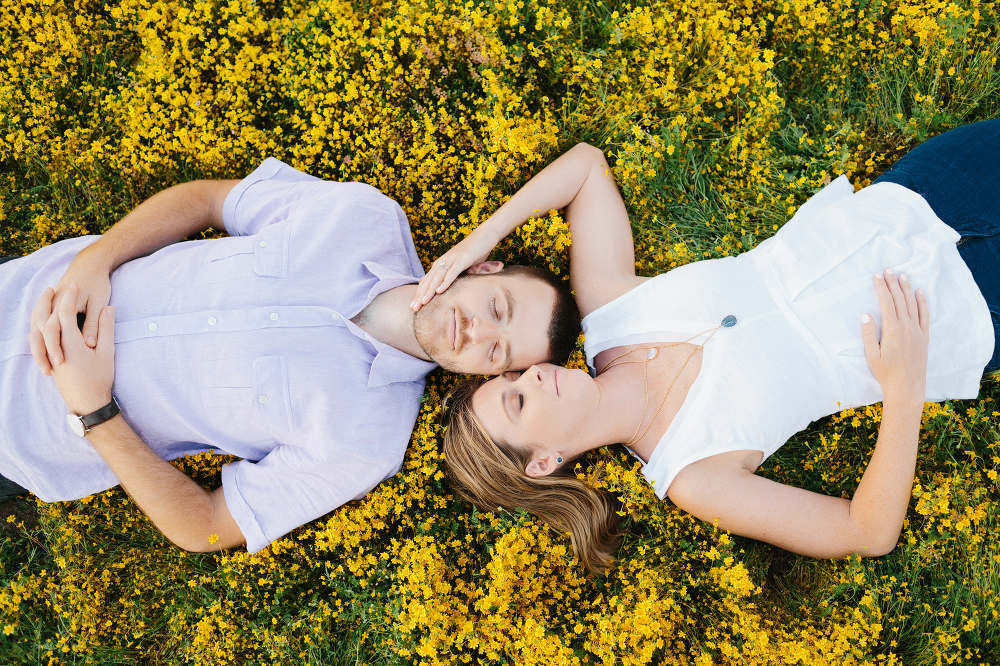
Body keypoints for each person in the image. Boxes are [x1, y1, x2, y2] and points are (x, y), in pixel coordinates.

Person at [432, 121, 1000, 573]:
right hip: (967, 311)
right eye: (519, 404)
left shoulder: (607, 310)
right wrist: (905, 393)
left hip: (912, 201)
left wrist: (477, 243)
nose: (530, 378)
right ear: (544, 462)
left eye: (510, 377)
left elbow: (584, 168)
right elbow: (866, 532)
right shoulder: (693, 474)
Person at [0, 157, 580, 554]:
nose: (475, 332)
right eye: (497, 308)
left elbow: (204, 527)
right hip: (25, 292)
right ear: (482, 268)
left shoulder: (366, 442)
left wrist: (93, 408)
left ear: (488, 380)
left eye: (496, 352)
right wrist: (95, 262)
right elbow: (207, 201)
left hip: (22, 434)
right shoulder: (364, 217)